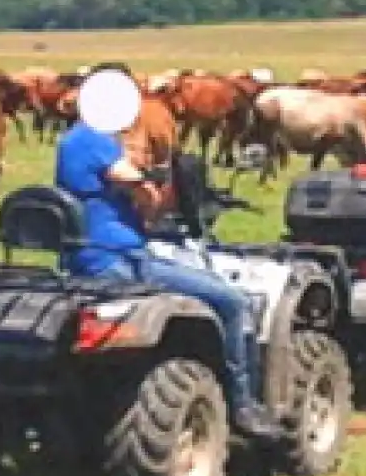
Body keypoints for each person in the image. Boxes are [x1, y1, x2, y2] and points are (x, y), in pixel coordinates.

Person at [56, 67, 266, 432]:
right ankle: (242, 403)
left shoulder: (67, 142)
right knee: (232, 302)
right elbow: (128, 178)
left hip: (80, 255)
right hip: (120, 259)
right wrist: (150, 195)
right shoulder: (97, 141)